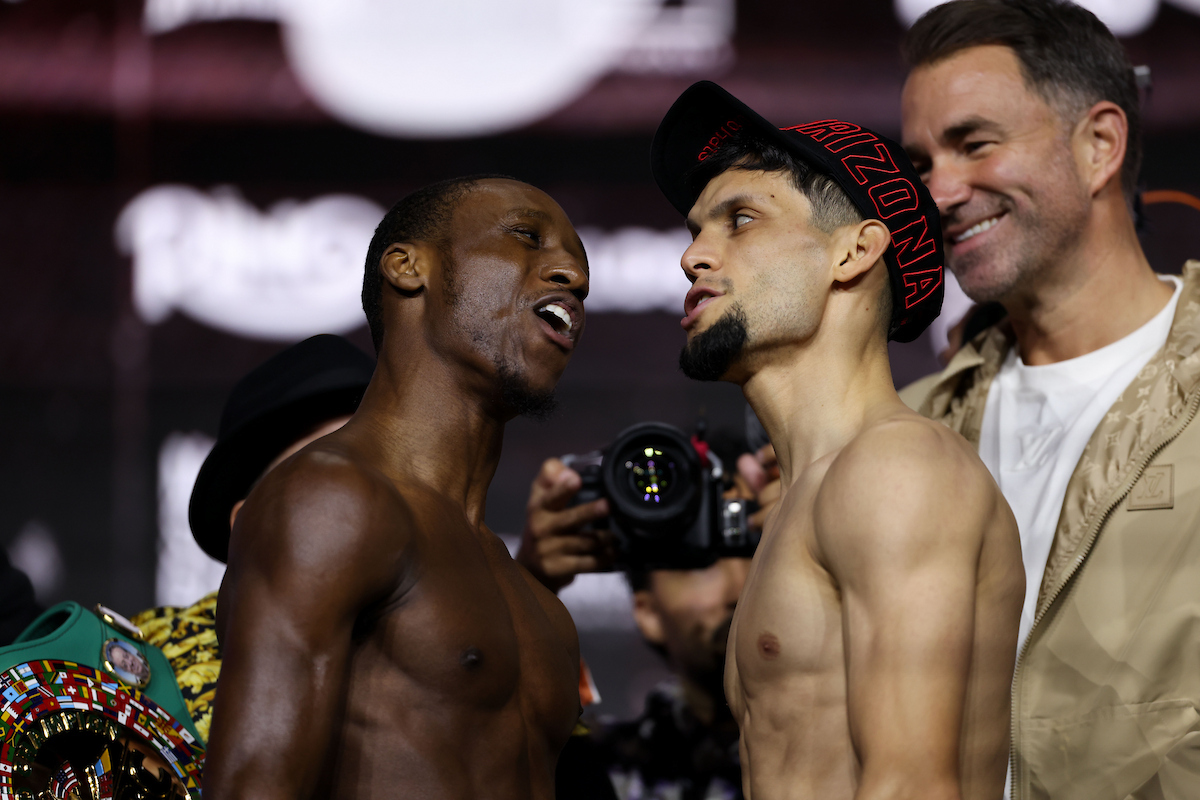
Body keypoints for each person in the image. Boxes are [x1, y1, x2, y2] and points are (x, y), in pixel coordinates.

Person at [649, 81, 1025, 800]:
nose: (693, 256)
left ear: (853, 252)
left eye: (740, 220)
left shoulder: (895, 466)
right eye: (696, 231)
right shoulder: (809, 496)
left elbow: (912, 787)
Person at [203, 176, 590, 799]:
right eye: (526, 236)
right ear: (409, 268)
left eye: (579, 263)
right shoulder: (329, 501)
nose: (574, 274)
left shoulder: (542, 608)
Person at [897, 2, 1200, 797]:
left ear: (1099, 145)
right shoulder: (910, 430)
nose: (939, 191)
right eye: (922, 163)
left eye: (974, 144)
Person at [131, 333, 376, 743]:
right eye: (325, 477)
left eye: (389, 474)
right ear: (246, 524)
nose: (366, 502)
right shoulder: (145, 674)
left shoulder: (474, 645)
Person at [518, 432, 771, 800]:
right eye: (697, 562)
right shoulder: (598, 766)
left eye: (762, 549)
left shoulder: (855, 743)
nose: (740, 588)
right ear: (647, 612)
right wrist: (529, 583)